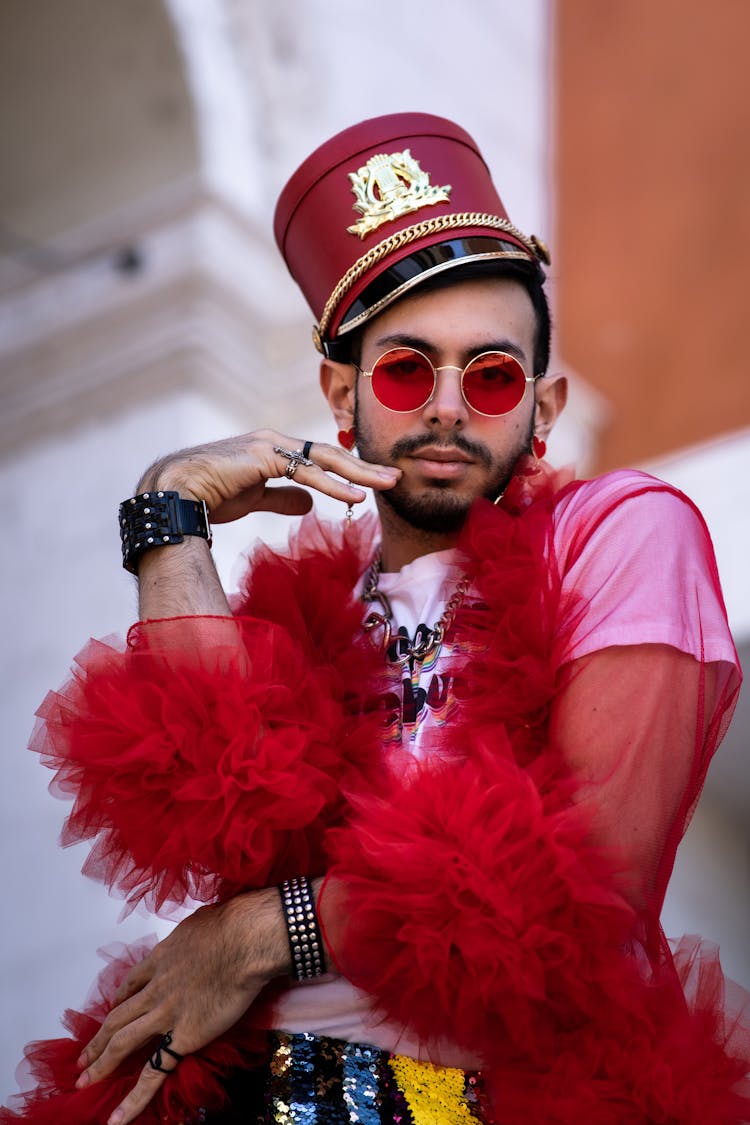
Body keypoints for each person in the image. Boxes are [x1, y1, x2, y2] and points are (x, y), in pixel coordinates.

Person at [3, 113, 749, 1125]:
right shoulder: (308, 614)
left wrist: (274, 930)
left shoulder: (620, 534)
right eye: (407, 370)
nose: (447, 407)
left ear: (546, 407)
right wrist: (168, 513)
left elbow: (580, 885)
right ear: (342, 393)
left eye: (490, 377)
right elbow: (194, 799)